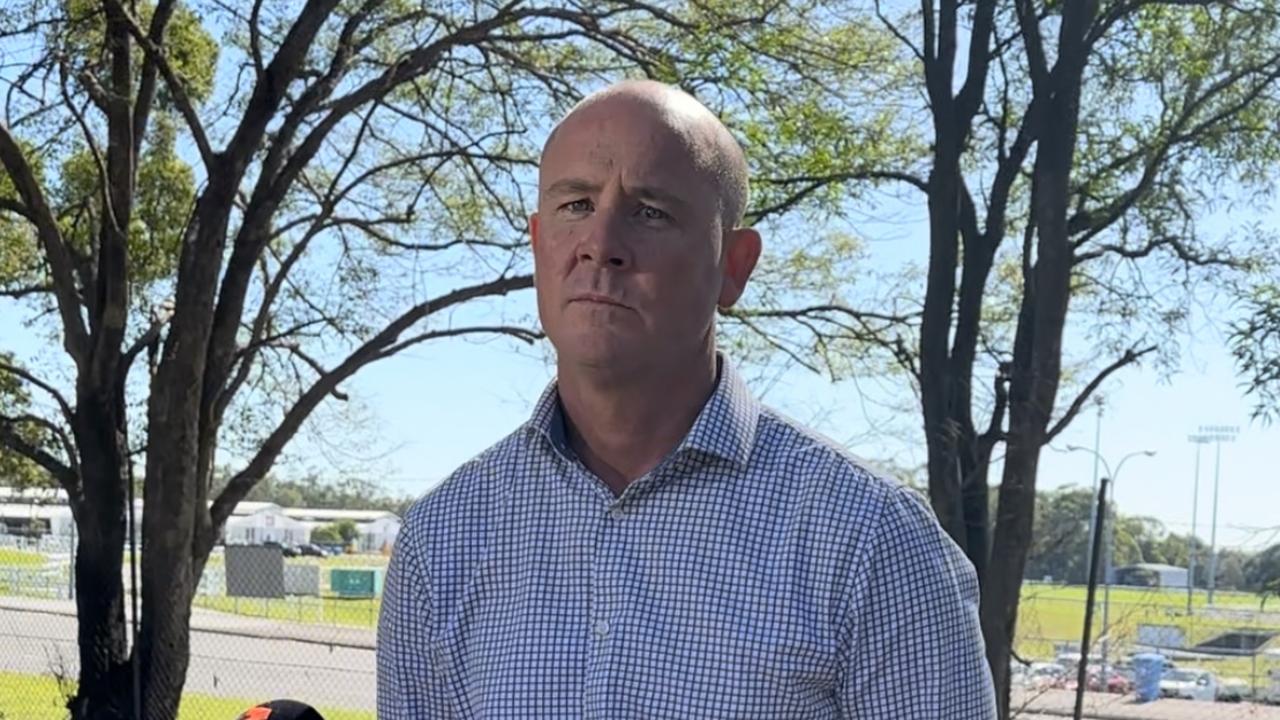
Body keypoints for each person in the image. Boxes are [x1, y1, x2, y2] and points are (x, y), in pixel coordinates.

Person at [377, 79, 996, 719]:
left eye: (651, 211)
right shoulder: (444, 540)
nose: (601, 244)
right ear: (538, 242)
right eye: (575, 205)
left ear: (734, 266)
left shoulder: (870, 543)